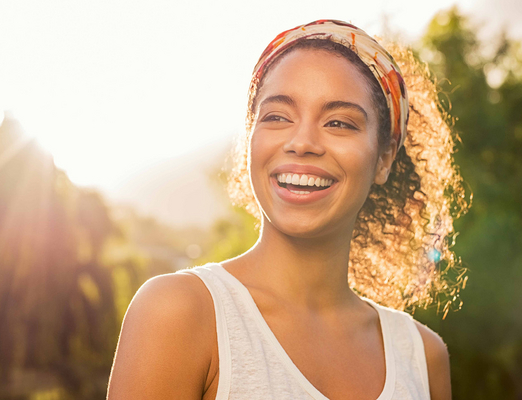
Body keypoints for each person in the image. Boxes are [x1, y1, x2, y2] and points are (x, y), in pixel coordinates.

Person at [107, 19, 468, 400]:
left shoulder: (422, 358)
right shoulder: (179, 313)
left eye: (339, 122)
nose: (302, 142)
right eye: (277, 116)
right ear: (251, 139)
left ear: (384, 158)